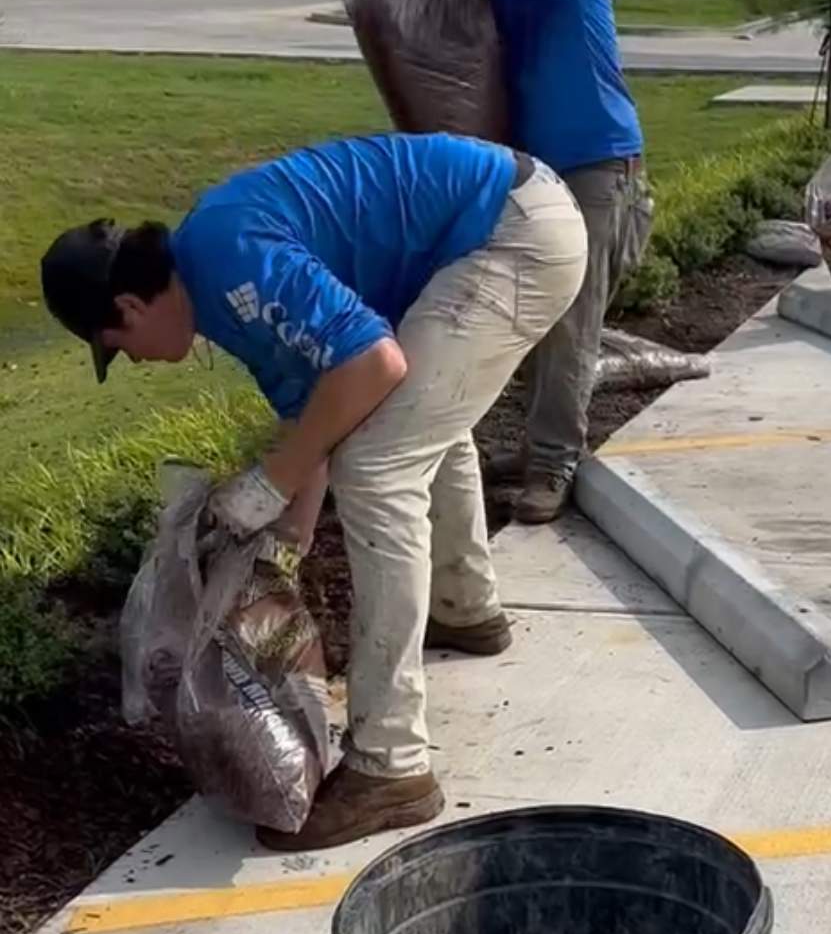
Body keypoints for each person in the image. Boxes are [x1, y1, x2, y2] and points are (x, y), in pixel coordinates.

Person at [41, 133, 587, 851]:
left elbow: (371, 362)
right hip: (508, 218)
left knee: (381, 468)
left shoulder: (230, 257)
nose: (135, 362)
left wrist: (267, 484)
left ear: (130, 306)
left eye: (119, 346)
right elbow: (320, 415)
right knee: (412, 422)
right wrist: (282, 544)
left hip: (511, 233)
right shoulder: (215, 278)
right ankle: (464, 606)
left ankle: (392, 766)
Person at [442, 0, 652, 524]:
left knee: (571, 318)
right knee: (529, 311)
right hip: (536, 163)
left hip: (597, 155)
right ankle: (538, 442)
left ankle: (556, 459)